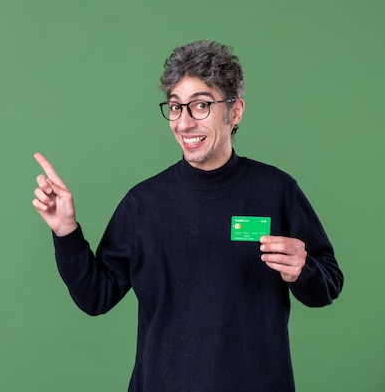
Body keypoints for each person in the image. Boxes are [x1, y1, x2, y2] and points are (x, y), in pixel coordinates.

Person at [31, 40, 343, 392]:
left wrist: (304, 269)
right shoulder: (144, 204)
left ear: (235, 111)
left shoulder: (276, 191)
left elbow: (327, 285)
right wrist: (66, 231)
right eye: (176, 107)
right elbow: (95, 297)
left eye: (201, 106)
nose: (184, 123)